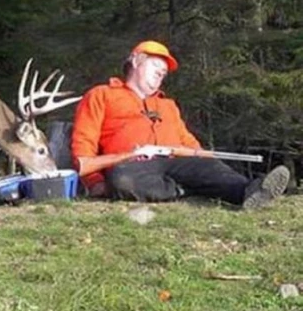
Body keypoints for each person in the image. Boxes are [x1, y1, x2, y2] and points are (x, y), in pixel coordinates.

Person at [70, 40, 290, 209]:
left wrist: (206, 159)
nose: (161, 73)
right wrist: (93, 181)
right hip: (133, 166)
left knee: (208, 168)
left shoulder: (167, 105)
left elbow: (186, 141)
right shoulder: (101, 95)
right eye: (156, 65)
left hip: (177, 161)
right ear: (136, 61)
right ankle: (184, 189)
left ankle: (250, 191)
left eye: (164, 72)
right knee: (121, 179)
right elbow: (84, 144)